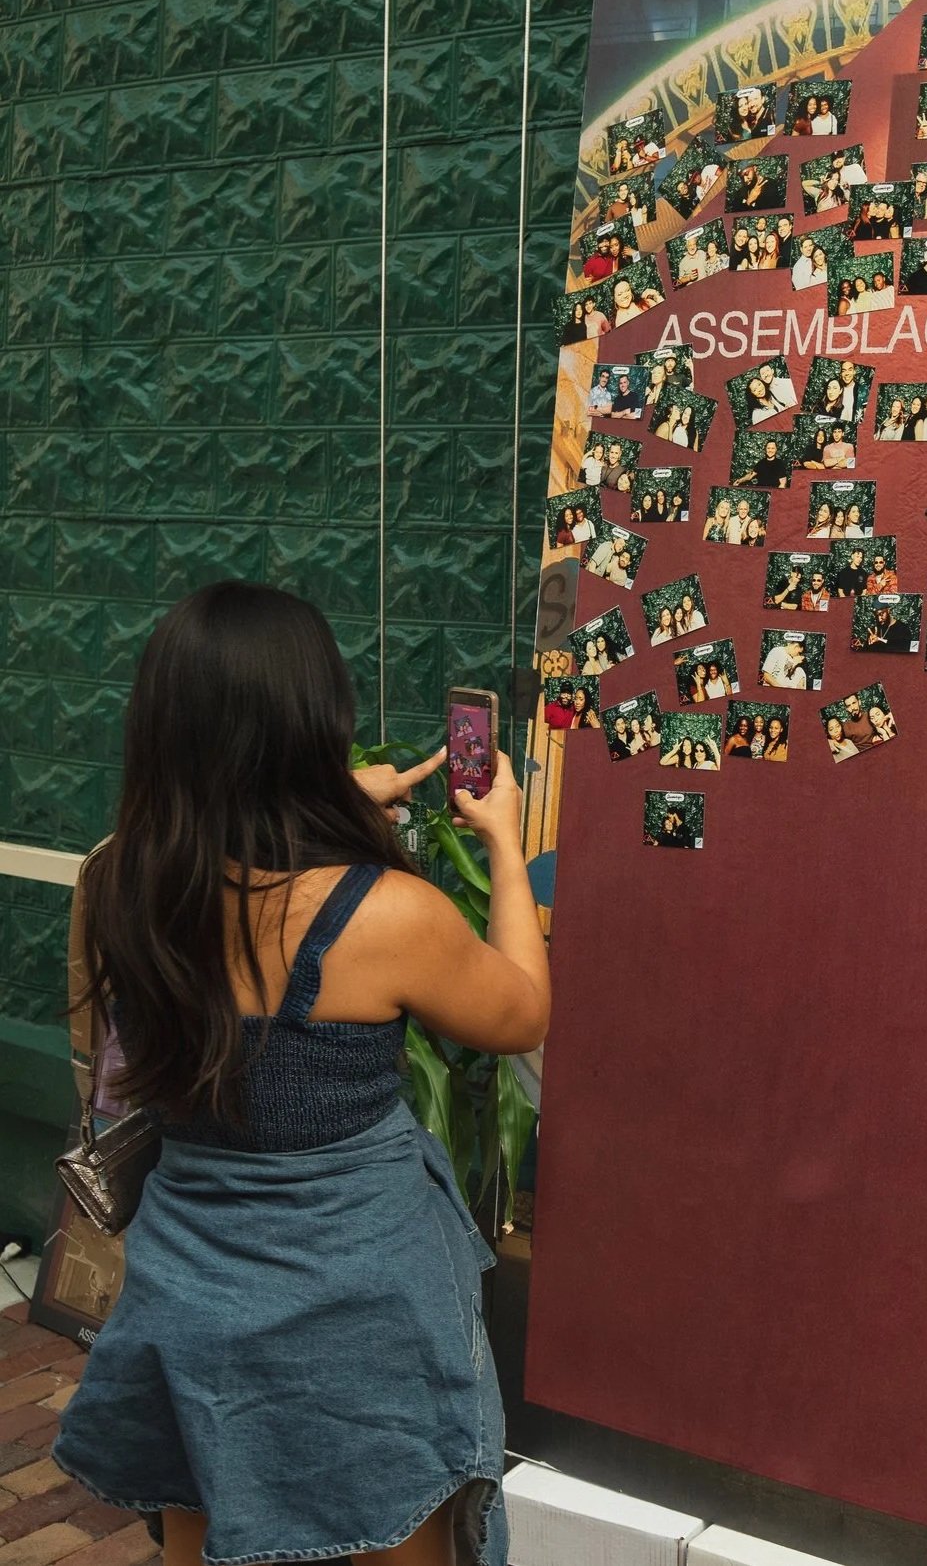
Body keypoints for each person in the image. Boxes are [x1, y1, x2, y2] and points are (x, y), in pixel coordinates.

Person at [54, 583, 547, 1566]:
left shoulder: (122, 885)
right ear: (315, 726)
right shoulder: (385, 915)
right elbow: (519, 1011)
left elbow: (226, 857)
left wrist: (311, 807)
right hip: (363, 1301)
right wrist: (502, 836)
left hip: (191, 1287)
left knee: (208, 1527)